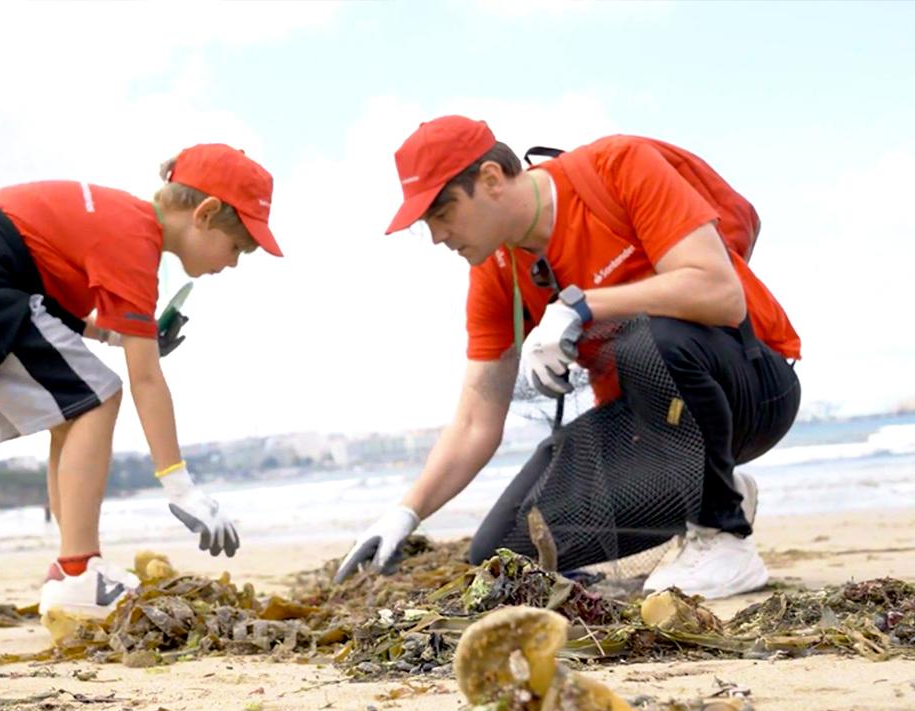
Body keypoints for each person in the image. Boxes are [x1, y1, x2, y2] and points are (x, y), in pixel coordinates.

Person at [334, 115, 800, 599]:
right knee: (502, 555)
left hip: (750, 389)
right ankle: (718, 489)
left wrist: (582, 305)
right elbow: (476, 420)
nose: (437, 236)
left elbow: (719, 291)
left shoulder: (617, 168)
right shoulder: (495, 270)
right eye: (426, 224)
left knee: (646, 339)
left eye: (443, 211)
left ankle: (724, 535)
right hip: (648, 429)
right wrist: (405, 513)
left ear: (491, 178)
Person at [0, 143, 282, 617]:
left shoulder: (121, 221)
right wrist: (181, 488)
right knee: (99, 398)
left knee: (74, 412)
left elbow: (55, 305)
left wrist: (126, 334)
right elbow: (146, 379)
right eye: (237, 246)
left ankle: (71, 568)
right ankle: (80, 572)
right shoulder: (135, 242)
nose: (233, 262)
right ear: (205, 214)